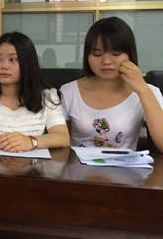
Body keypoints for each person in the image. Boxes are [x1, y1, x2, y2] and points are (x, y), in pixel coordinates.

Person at [61, 17, 163, 150]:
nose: (106, 61)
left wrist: (142, 90)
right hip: (78, 163)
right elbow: (60, 142)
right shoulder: (69, 92)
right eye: (97, 54)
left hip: (124, 163)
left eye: (115, 53)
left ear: (130, 54)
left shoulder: (148, 92)